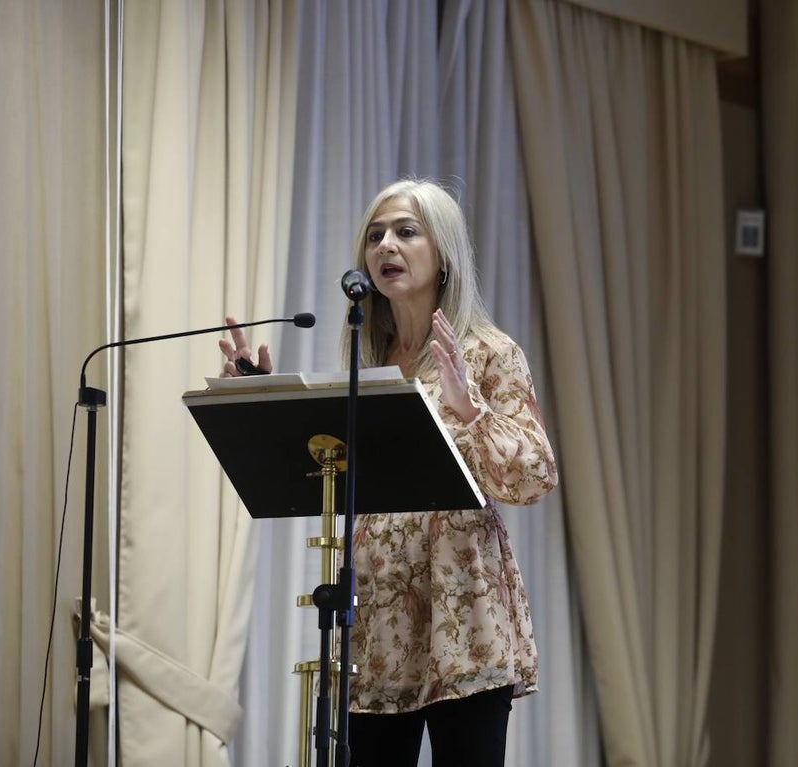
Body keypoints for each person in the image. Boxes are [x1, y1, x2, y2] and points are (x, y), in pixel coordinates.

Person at [219, 178, 559, 766]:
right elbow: (322, 465)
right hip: (377, 617)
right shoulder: (367, 359)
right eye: (374, 236)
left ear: (444, 252)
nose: (385, 247)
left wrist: (469, 408)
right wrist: (260, 400)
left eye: (405, 232)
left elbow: (534, 475)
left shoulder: (487, 351)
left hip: (461, 607)